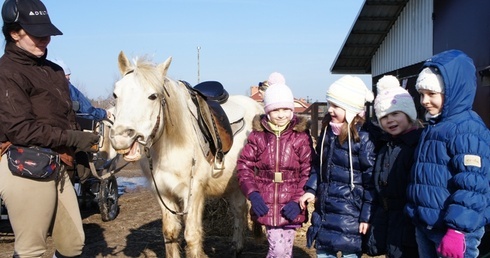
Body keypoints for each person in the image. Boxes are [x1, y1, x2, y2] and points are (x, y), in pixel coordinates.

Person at [0, 0, 100, 257]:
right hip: (25, 165)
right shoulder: (6, 72)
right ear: (14, 33)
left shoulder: (54, 71)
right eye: (37, 33)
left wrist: (78, 149)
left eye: (47, 32)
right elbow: (21, 130)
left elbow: (64, 116)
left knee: (73, 245)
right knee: (31, 250)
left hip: (58, 163)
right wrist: (74, 138)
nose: (45, 39)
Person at [405, 49, 490, 258]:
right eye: (422, 94)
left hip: (453, 230)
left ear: (454, 92)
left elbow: (472, 185)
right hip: (428, 224)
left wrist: (457, 230)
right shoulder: (434, 126)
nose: (424, 101)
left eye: (432, 94)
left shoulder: (466, 129)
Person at [299, 75, 376, 258]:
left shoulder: (364, 139)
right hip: (326, 210)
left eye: (336, 106)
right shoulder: (328, 133)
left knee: (349, 252)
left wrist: (366, 216)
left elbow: (370, 181)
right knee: (324, 251)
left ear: (351, 109)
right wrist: (311, 188)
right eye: (329, 104)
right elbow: (319, 166)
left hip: (351, 214)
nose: (330, 110)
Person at [237, 83, 314, 258]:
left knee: (286, 250)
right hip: (267, 203)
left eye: (286, 109)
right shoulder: (258, 137)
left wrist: (297, 201)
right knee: (277, 250)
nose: (281, 115)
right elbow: (244, 167)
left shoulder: (300, 137)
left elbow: (307, 170)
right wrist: (253, 195)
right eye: (275, 110)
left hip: (291, 204)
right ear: (267, 111)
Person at [364, 75, 422, 258]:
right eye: (384, 116)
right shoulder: (386, 144)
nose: (390, 120)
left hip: (407, 219)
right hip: (388, 217)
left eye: (395, 114)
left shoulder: (417, 144)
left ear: (409, 114)